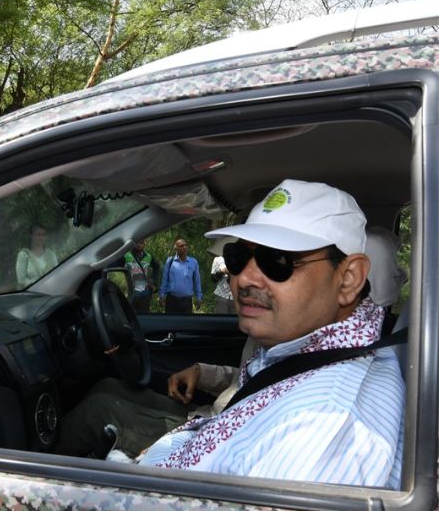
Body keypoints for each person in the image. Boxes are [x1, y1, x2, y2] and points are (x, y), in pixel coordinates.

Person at [57, 185, 405, 491]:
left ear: (348, 279)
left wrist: (122, 470)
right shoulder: (316, 347)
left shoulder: (325, 429)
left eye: (278, 260)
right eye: (238, 257)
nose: (243, 279)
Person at [159, 238, 201, 313]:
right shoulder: (170, 261)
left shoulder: (193, 262)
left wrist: (199, 297)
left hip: (187, 301)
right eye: (181, 246)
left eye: (185, 245)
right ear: (176, 249)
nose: (184, 247)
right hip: (171, 300)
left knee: (185, 323)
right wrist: (162, 295)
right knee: (171, 323)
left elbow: (197, 281)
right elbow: (165, 279)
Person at [122, 238, 158, 312]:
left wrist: (153, 279)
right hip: (131, 294)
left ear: (144, 244)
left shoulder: (149, 256)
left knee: (144, 318)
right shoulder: (126, 256)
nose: (138, 245)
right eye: (137, 243)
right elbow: (111, 265)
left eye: (141, 243)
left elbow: (157, 266)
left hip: (145, 294)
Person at [210, 241, 235, 314]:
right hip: (222, 296)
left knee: (235, 322)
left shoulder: (239, 260)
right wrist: (221, 272)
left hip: (236, 296)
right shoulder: (218, 259)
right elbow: (213, 279)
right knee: (220, 321)